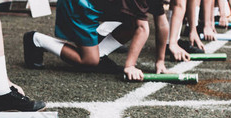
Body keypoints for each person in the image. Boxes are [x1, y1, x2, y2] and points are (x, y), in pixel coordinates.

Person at [23, 0, 172, 81]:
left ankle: (99, 54)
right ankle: (36, 39)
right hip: (80, 5)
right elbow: (143, 28)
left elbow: (162, 23)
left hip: (94, 7)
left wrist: (160, 60)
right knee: (89, 61)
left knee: (130, 24)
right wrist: (130, 66)